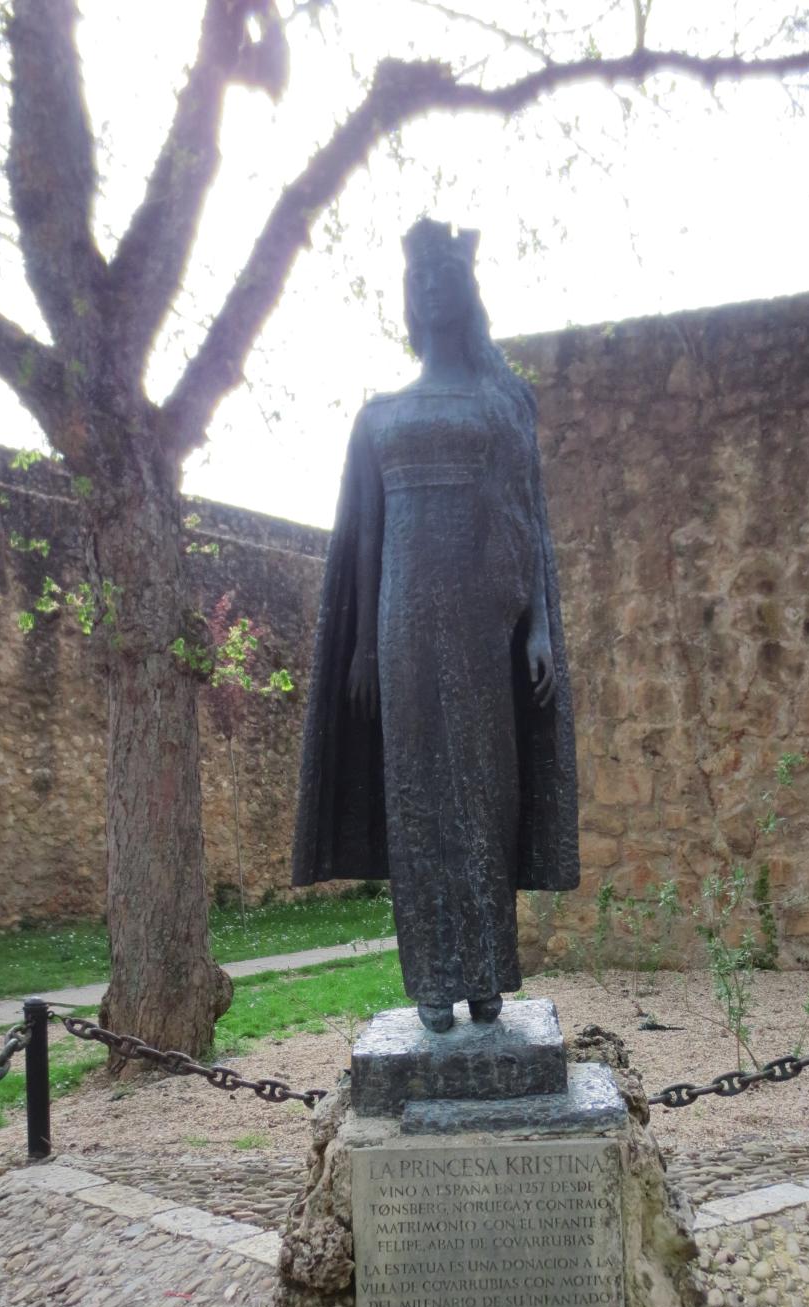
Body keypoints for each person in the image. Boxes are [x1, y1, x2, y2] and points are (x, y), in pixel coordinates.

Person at [292, 219, 579, 1033]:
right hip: (400, 622)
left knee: (483, 793)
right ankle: (432, 978)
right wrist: (360, 647)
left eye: (443, 273)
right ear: (407, 297)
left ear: (465, 288)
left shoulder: (501, 403)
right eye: (417, 276)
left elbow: (531, 523)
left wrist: (538, 629)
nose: (429, 287)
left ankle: (487, 973)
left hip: (482, 621)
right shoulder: (379, 417)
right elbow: (367, 541)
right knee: (416, 796)